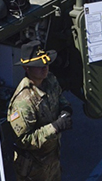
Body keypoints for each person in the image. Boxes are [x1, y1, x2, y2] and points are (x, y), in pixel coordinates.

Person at [7, 40, 73, 181]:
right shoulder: (23, 101)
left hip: (52, 157)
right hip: (34, 167)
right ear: (26, 68)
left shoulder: (50, 79)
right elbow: (23, 140)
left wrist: (66, 109)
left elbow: (59, 96)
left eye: (46, 64)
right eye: (39, 66)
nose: (45, 68)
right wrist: (55, 127)